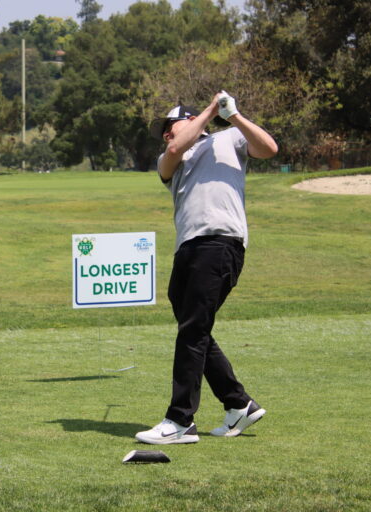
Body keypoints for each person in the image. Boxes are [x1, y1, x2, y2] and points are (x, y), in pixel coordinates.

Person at [136, 91, 278, 445]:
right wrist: (210, 110)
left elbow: (269, 149)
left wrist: (233, 115)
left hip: (220, 243)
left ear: (192, 123)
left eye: (172, 125)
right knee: (193, 328)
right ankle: (238, 404)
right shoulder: (171, 160)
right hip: (187, 247)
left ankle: (180, 420)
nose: (167, 133)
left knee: (193, 329)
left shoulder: (228, 138)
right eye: (164, 129)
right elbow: (171, 152)